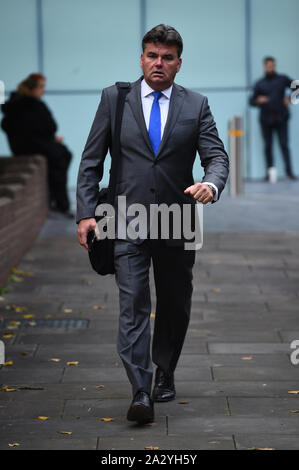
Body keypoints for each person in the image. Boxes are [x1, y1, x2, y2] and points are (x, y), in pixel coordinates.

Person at [76, 24, 229, 424]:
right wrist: (86, 213)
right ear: (141, 58)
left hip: (178, 220)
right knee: (133, 305)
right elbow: (91, 160)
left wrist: (211, 184)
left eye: (167, 58)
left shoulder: (195, 104)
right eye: (151, 56)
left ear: (179, 64)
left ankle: (165, 369)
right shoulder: (115, 99)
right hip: (125, 218)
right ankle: (140, 390)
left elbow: (216, 156)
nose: (158, 63)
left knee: (175, 302)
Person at [1, 73, 73, 216]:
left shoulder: (12, 105)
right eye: (41, 87)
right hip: (35, 147)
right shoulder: (33, 105)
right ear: (32, 89)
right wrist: (51, 139)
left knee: (61, 154)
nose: (43, 90)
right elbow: (49, 127)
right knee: (62, 155)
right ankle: (61, 204)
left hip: (20, 148)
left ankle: (55, 199)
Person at [249, 57, 297, 182]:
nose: (271, 68)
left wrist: (290, 99)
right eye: (268, 66)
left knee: (284, 144)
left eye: (272, 66)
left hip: (281, 118)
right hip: (266, 120)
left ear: (274, 66)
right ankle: (270, 173)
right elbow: (251, 101)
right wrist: (258, 100)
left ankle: (289, 172)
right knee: (268, 146)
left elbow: (297, 86)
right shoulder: (260, 83)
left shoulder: (282, 79)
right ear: (265, 67)